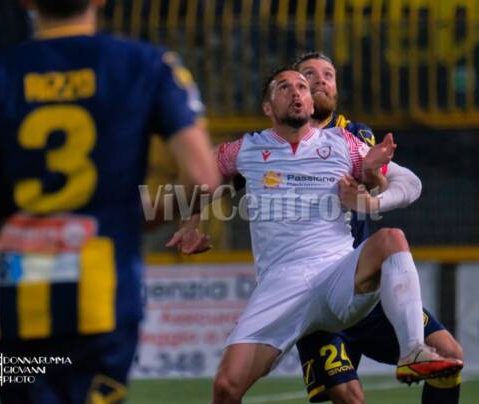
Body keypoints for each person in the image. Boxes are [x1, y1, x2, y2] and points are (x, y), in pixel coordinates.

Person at [0, 0, 221, 402]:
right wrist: (135, 218)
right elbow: (203, 180)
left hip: (17, 291)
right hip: (103, 290)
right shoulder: (149, 65)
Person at [170, 68, 462, 404]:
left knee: (391, 238)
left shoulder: (344, 143)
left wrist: (371, 181)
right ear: (268, 107)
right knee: (226, 387)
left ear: (311, 104)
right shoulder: (247, 148)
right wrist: (190, 224)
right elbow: (199, 178)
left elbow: (392, 182)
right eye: (284, 87)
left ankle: (413, 350)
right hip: (282, 284)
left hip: (337, 275)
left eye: (302, 88)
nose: (296, 93)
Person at [293, 52, 465, 404]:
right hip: (316, 295)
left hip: (366, 288)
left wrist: (370, 185)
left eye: (328, 74)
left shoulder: (355, 134)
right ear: (292, 90)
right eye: (309, 74)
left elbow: (385, 184)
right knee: (349, 398)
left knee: (449, 356)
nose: (321, 79)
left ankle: (413, 351)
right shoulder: (279, 145)